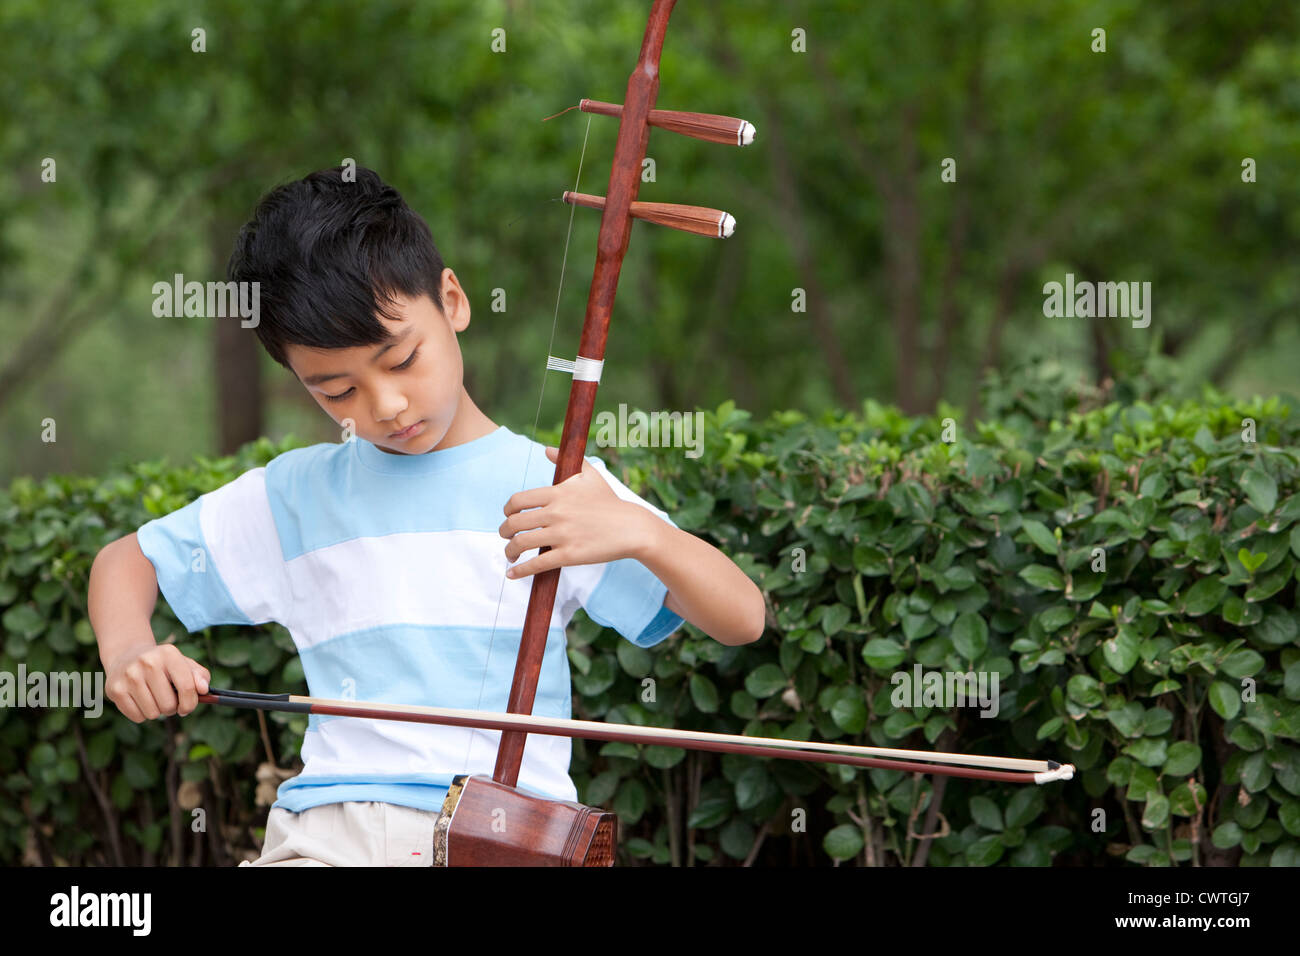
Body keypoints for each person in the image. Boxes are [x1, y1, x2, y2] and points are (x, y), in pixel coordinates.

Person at [86, 165, 765, 866]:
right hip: (330, 836)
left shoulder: (557, 488)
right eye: (337, 390)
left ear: (452, 299)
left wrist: (648, 536)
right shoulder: (296, 496)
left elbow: (741, 616)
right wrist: (129, 652)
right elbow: (124, 562)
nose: (384, 407)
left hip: (505, 837)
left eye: (403, 359)